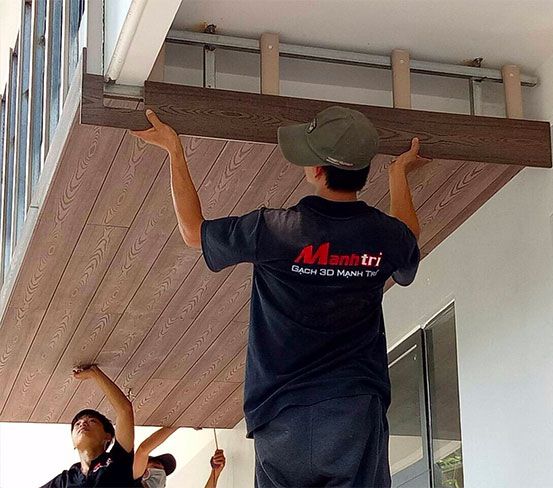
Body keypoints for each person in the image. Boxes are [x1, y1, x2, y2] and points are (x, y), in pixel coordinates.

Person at [132, 105, 424, 487]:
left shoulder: (275, 229)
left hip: (281, 413)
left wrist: (175, 150)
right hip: (353, 407)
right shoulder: (385, 236)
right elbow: (408, 237)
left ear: (316, 170)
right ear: (363, 171)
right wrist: (398, 174)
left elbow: (192, 231)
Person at [40, 365, 139, 487]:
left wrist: (95, 373)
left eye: (92, 421)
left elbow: (125, 410)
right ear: (73, 443)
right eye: (77, 424)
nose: (82, 423)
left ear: (107, 436)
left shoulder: (117, 460)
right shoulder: (65, 480)